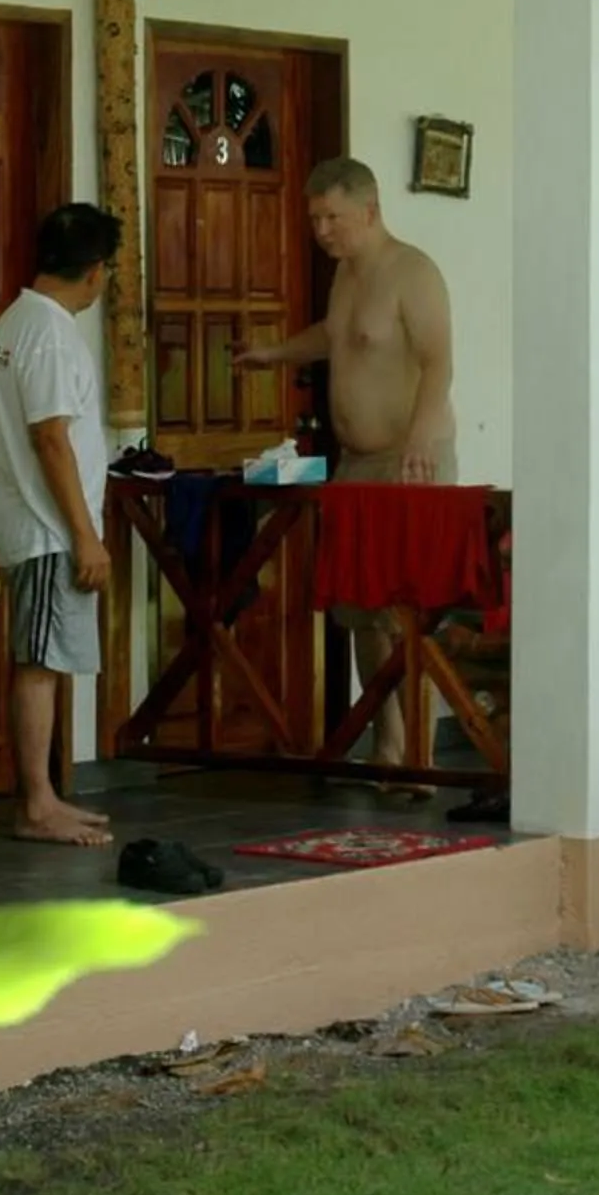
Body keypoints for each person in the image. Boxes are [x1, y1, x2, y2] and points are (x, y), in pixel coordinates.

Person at [238, 156, 457, 767]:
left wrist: (419, 437)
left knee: (407, 613)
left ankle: (423, 753)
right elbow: (337, 337)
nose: (322, 231)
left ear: (369, 209)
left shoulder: (412, 271)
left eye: (332, 217)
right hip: (357, 461)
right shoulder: (345, 277)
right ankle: (385, 745)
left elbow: (439, 360)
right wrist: (275, 354)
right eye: (315, 219)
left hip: (410, 459)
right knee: (362, 611)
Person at [0, 203, 123, 848]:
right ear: (97, 272)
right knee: (38, 662)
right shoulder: (45, 331)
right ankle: (36, 802)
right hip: (47, 528)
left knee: (47, 660)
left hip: (47, 526)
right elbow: (51, 439)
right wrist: (85, 533)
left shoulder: (25, 321)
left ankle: (46, 795)